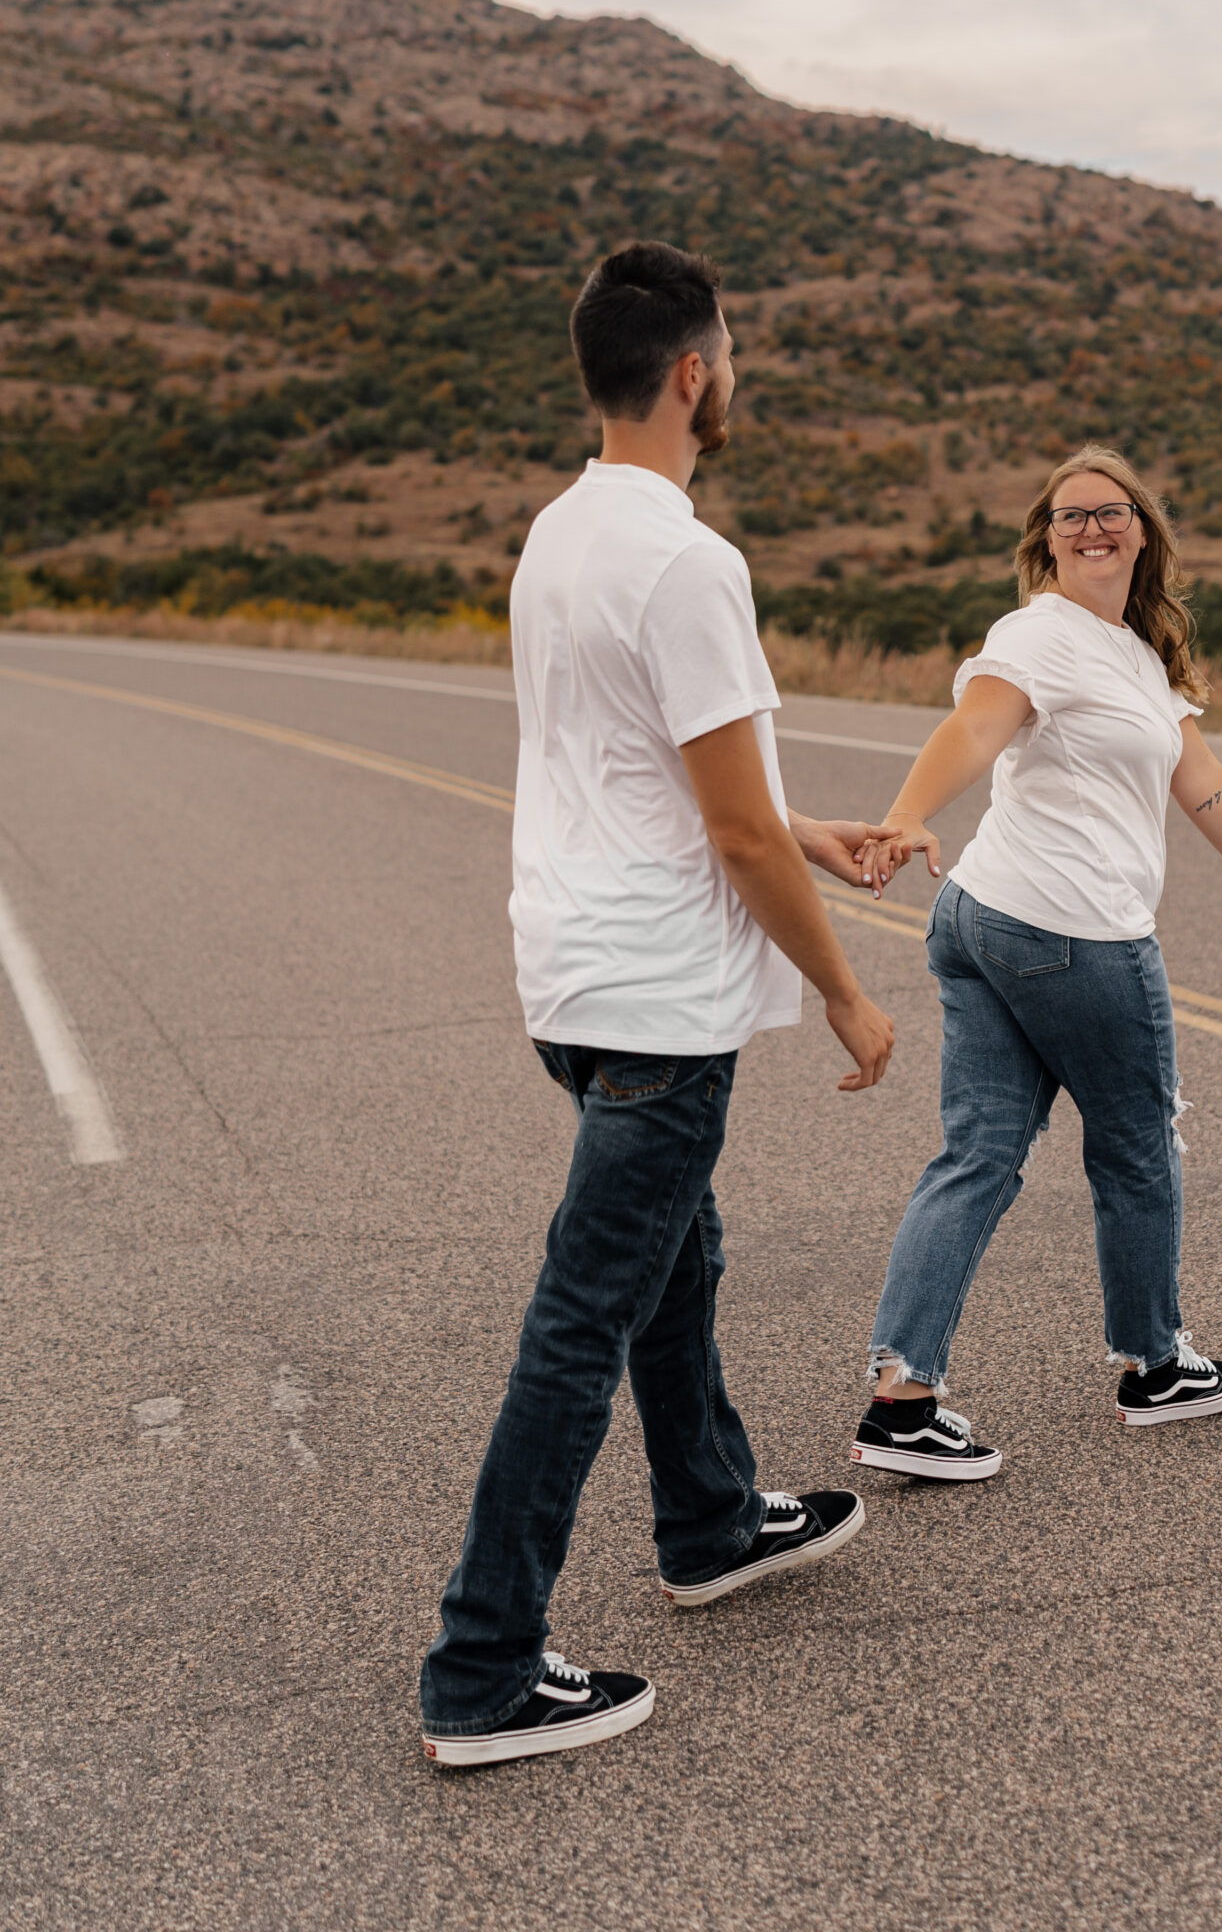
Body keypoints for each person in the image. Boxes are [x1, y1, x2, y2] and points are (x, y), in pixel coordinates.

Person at [420, 240, 894, 1769]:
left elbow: (681, 784)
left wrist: (809, 831)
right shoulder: (688, 561)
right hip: (655, 1000)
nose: (733, 373)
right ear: (692, 370)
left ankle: (707, 1518)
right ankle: (482, 1667)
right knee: (584, 1315)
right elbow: (730, 828)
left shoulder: (559, 535)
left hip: (573, 971)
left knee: (672, 1257)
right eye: (731, 350)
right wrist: (841, 990)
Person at [846, 445, 1222, 1483]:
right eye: (1071, 517)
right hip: (1071, 932)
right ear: (1048, 539)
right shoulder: (1038, 635)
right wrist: (904, 815)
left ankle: (902, 1395)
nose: (1092, 528)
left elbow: (1205, 785)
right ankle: (1155, 1363)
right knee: (1137, 1145)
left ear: (1141, 530)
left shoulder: (1138, 657)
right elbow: (975, 728)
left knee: (977, 1154)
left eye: (1110, 513)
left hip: (986, 921)